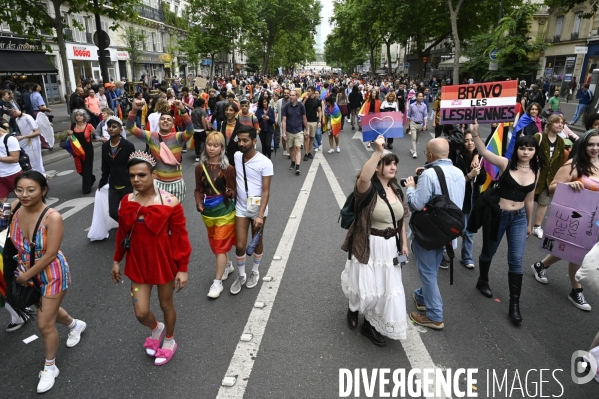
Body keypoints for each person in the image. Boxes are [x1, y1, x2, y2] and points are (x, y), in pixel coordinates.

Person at [9, 170, 86, 393]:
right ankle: (75, 325)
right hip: (25, 270)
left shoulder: (52, 217)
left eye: (31, 190)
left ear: (44, 190)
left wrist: (25, 276)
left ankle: (50, 367)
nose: (25, 195)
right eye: (20, 190)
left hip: (51, 273)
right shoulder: (14, 208)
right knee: (46, 310)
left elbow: (51, 254)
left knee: (44, 323)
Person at [112, 152, 191, 366]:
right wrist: (117, 260)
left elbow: (181, 236)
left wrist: (182, 268)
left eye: (141, 175)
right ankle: (157, 328)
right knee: (141, 312)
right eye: (132, 176)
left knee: (166, 305)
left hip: (163, 261)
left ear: (153, 175)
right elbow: (122, 234)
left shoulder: (169, 201)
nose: (136, 180)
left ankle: (169, 340)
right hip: (138, 262)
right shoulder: (127, 200)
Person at [340, 135, 409, 346]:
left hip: (390, 246)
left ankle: (369, 325)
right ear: (378, 167)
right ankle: (353, 309)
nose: (393, 166)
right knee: (364, 287)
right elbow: (363, 179)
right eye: (388, 163)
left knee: (386, 287)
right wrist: (378, 151)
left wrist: (404, 243)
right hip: (369, 244)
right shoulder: (367, 190)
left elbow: (401, 220)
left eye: (394, 163)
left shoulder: (396, 190)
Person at [469, 121, 539, 323]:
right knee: (489, 251)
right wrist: (475, 134)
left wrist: (530, 224)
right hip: (498, 215)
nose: (526, 152)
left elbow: (530, 198)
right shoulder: (505, 164)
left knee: (516, 260)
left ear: (535, 151)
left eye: (530, 149)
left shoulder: (536, 170)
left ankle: (514, 305)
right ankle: (483, 280)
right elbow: (483, 151)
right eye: (522, 148)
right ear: (516, 149)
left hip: (519, 219)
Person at [530, 130, 599, 311]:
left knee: (570, 249)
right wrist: (569, 185)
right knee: (578, 253)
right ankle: (576, 290)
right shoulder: (574, 165)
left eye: (598, 145)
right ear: (584, 145)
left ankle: (540, 265)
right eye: (591, 144)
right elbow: (552, 187)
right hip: (575, 217)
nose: (595, 148)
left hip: (596, 220)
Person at [405, 138, 465, 330]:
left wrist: (410, 188)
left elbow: (417, 204)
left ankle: (434, 315)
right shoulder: (459, 172)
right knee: (432, 268)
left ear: (430, 155)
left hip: (430, 232)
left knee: (428, 272)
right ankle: (422, 297)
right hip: (449, 231)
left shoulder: (429, 175)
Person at [229, 126, 273, 295]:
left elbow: (266, 191)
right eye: (239, 140)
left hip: (257, 208)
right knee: (240, 245)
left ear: (254, 141)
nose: (241, 143)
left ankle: (255, 271)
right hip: (240, 206)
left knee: (256, 242)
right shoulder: (237, 156)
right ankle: (241, 276)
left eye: (245, 140)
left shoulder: (265, 162)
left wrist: (260, 215)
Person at [194, 132, 237, 298]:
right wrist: (199, 203)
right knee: (216, 245)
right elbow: (198, 189)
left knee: (219, 246)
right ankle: (228, 265)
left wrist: (229, 193)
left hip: (225, 212)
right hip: (208, 212)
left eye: (215, 145)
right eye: (209, 144)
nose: (211, 148)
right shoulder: (200, 167)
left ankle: (217, 283)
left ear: (222, 148)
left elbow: (234, 190)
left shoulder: (228, 169)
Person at [126, 99, 193, 201]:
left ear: (173, 125)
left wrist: (183, 110)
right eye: (162, 119)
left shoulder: (178, 137)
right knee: (158, 214)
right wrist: (134, 110)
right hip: (158, 183)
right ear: (158, 123)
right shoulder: (152, 137)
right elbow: (131, 128)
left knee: (174, 214)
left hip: (176, 183)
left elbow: (190, 130)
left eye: (169, 119)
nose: (165, 120)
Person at [531, 114, 566, 239]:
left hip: (548, 178)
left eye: (562, 123)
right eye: (557, 122)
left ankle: (537, 227)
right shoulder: (539, 137)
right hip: (534, 176)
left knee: (543, 202)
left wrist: (557, 179)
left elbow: (560, 161)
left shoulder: (561, 142)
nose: (560, 125)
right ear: (550, 124)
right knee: (526, 201)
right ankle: (523, 225)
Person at [454, 131, 484, 269]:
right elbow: (457, 182)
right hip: (460, 198)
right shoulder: (458, 156)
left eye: (472, 140)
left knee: (469, 231)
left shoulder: (481, 157)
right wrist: (470, 175)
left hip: (474, 199)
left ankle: (467, 258)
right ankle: (442, 252)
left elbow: (482, 179)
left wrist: (479, 164)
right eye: (466, 140)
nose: (470, 143)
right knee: (454, 228)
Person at [98, 116, 136, 222]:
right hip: (113, 184)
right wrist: (102, 182)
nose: (111, 129)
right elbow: (105, 167)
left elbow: (133, 165)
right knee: (113, 213)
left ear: (120, 129)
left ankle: (128, 231)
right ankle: (125, 225)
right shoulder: (105, 147)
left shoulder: (128, 146)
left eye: (114, 127)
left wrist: (134, 180)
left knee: (128, 211)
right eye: (109, 126)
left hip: (127, 184)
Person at [67, 109, 96, 194]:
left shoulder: (89, 126)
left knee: (87, 169)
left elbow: (96, 134)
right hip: (77, 150)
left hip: (88, 150)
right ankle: (91, 178)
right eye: (77, 115)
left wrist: (102, 139)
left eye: (80, 115)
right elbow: (69, 138)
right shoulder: (72, 126)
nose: (78, 117)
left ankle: (86, 189)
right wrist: (70, 134)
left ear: (84, 117)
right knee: (80, 169)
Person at [281, 90, 308, 175]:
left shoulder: (301, 106)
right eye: (290, 95)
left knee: (298, 148)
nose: (291, 97)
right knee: (291, 148)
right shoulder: (286, 107)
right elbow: (284, 120)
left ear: (296, 97)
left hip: (298, 130)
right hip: (289, 130)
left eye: (293, 95)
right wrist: (284, 132)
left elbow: (304, 118)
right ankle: (292, 162)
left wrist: (307, 129)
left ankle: (297, 166)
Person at [222, 102, 244, 166]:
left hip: (236, 160)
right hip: (222, 158)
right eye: (226, 110)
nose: (228, 112)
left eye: (231, 110)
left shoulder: (241, 127)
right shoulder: (221, 124)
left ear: (236, 112)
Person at [303, 87, 321, 160]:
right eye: (307, 91)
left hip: (314, 121)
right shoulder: (305, 99)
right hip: (306, 121)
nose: (308, 92)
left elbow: (319, 111)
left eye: (309, 91)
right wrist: (305, 99)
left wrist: (319, 120)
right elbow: (301, 106)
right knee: (306, 137)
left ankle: (309, 152)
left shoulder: (317, 101)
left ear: (313, 92)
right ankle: (306, 153)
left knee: (312, 137)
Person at [407, 92, 428, 158]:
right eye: (419, 96)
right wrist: (408, 125)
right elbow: (408, 115)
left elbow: (425, 116)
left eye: (422, 96)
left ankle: (411, 148)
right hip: (413, 123)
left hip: (420, 124)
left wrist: (425, 125)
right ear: (416, 97)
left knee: (416, 138)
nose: (420, 97)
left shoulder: (424, 106)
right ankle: (415, 152)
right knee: (413, 138)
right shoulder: (412, 105)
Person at [191, 97, 211, 163]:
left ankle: (197, 156)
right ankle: (207, 155)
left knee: (197, 143)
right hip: (201, 129)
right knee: (206, 142)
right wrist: (205, 129)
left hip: (194, 129)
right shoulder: (202, 111)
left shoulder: (193, 110)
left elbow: (191, 119)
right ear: (202, 104)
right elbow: (203, 120)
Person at [276, 88, 291, 157]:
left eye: (287, 93)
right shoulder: (279, 101)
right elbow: (276, 111)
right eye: (285, 93)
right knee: (283, 136)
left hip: (291, 121)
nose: (286, 94)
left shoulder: (292, 100)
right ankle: (285, 150)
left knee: (290, 136)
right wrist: (276, 119)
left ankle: (290, 150)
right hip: (282, 121)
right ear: (283, 93)